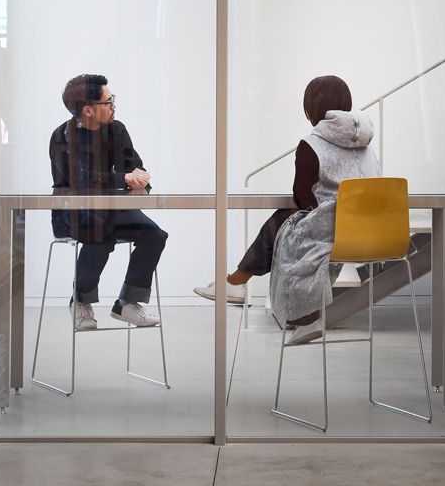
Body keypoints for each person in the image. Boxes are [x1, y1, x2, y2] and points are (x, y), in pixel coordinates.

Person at [194, 75, 381, 342]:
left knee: (283, 221)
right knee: (285, 220)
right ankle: (236, 282)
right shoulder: (367, 143)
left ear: (311, 109)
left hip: (336, 233)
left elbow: (302, 198)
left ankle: (242, 284)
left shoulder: (312, 144)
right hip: (374, 230)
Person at [49, 74, 168, 332]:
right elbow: (81, 181)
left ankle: (127, 302)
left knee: (155, 236)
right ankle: (81, 301)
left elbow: (133, 165)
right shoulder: (62, 136)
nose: (114, 105)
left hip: (112, 210)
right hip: (74, 213)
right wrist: (124, 177)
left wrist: (139, 179)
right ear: (88, 110)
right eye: (109, 101)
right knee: (99, 236)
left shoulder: (117, 130)